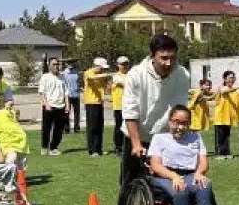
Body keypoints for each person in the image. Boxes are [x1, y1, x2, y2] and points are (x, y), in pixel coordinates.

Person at [121, 34, 191, 193]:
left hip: (164, 137)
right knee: (129, 185)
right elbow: (130, 111)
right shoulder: (136, 74)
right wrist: (136, 143)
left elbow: (179, 109)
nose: (169, 63)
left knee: (166, 184)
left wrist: (180, 138)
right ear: (152, 56)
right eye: (164, 58)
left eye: (173, 58)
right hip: (137, 135)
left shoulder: (182, 75)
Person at [146, 105, 216, 205]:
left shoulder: (196, 137)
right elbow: (156, 165)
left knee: (205, 183)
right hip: (164, 176)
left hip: (190, 174)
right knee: (179, 186)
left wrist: (199, 172)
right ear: (170, 121)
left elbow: (203, 161)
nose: (180, 127)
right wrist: (174, 176)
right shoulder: (159, 138)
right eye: (176, 122)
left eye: (184, 123)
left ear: (189, 123)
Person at [0, 89, 29, 168]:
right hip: (5, 142)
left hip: (19, 140)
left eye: (0, 96)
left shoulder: (7, 109)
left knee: (21, 164)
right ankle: (8, 178)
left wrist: (14, 111)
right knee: (11, 161)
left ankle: (19, 179)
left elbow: (15, 121)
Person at [82, 58, 113, 156]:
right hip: (91, 103)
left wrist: (109, 81)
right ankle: (92, 150)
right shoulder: (88, 72)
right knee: (92, 127)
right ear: (97, 66)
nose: (103, 70)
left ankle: (99, 149)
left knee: (100, 127)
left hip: (99, 103)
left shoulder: (102, 75)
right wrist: (107, 75)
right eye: (102, 68)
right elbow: (92, 78)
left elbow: (106, 88)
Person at [37, 58, 67, 156]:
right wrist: (46, 104)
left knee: (59, 130)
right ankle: (44, 147)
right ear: (49, 65)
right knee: (46, 128)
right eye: (54, 64)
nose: (56, 66)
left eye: (57, 64)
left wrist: (67, 105)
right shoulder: (45, 77)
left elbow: (66, 93)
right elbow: (42, 92)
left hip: (61, 106)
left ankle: (53, 147)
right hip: (49, 106)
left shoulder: (62, 77)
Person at [212, 71, 239, 159]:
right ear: (224, 79)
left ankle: (226, 152)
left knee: (227, 135)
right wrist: (238, 87)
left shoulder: (233, 89)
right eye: (230, 77)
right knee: (220, 136)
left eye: (233, 77)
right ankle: (219, 154)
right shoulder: (221, 87)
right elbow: (224, 91)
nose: (232, 79)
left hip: (228, 116)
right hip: (220, 116)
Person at [110, 56, 130, 155]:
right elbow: (124, 83)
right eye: (122, 64)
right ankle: (118, 147)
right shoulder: (115, 76)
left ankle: (125, 146)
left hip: (128, 105)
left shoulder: (130, 75)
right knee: (118, 127)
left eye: (126, 64)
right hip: (118, 105)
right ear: (118, 65)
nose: (125, 66)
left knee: (128, 126)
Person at [62, 63, 81, 133]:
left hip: (76, 95)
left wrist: (79, 88)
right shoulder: (64, 73)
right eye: (69, 64)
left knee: (77, 113)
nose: (70, 65)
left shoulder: (77, 72)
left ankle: (77, 128)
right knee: (67, 112)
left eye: (71, 63)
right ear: (66, 64)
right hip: (68, 95)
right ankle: (66, 129)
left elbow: (79, 82)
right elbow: (63, 84)